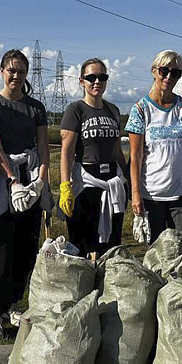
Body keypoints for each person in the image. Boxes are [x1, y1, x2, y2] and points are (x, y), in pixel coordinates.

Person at [0, 49, 51, 344]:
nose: (16, 76)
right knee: (4, 248)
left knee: (26, 246)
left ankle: (13, 304)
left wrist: (41, 182)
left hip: (31, 175)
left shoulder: (35, 108)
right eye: (11, 70)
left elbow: (44, 146)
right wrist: (13, 182)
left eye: (21, 71)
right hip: (4, 179)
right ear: (1, 71)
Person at [125, 50, 182, 254]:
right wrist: (136, 194)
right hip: (152, 196)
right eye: (164, 70)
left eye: (175, 73)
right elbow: (136, 157)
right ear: (154, 71)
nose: (168, 77)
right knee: (157, 256)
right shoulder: (141, 109)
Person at [59, 58, 128, 257]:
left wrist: (127, 180)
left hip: (112, 181)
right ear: (82, 81)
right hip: (87, 183)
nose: (97, 82)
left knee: (110, 244)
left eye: (102, 77)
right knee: (82, 243)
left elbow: (117, 150)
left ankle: (106, 284)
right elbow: (66, 151)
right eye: (91, 77)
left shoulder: (113, 110)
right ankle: (82, 285)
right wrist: (65, 186)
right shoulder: (75, 110)